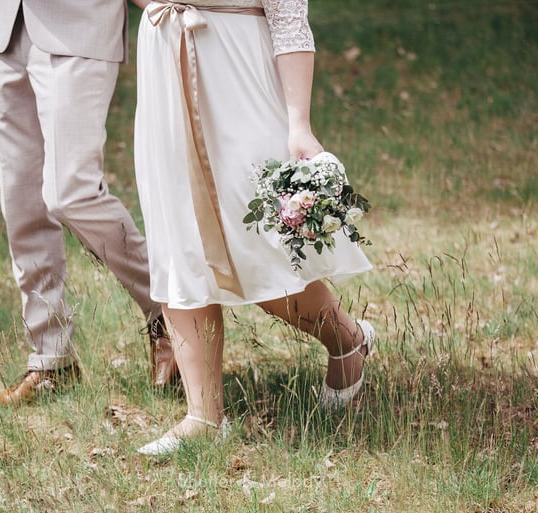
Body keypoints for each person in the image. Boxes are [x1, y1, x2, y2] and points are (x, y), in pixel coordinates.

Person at [131, 0, 375, 456]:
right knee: (178, 240)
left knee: (260, 245)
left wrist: (299, 124)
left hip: (237, 72)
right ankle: (202, 416)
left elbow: (288, 18)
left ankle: (348, 341)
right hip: (165, 63)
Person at [0, 0, 178, 407]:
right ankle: (52, 359)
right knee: (22, 202)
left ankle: (170, 306)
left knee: (71, 192)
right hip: (6, 26)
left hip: (79, 24)